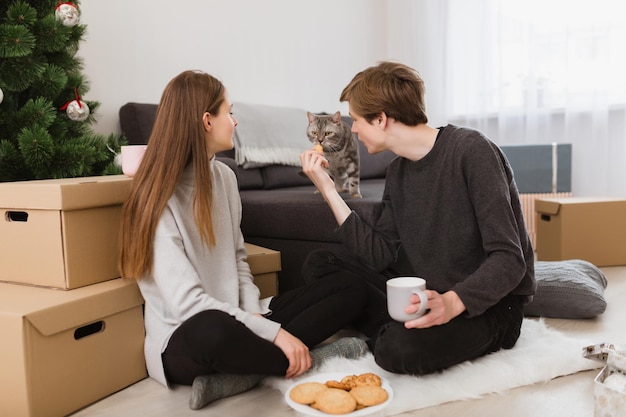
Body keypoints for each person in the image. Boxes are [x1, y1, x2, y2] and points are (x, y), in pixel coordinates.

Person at [118, 70, 369, 410]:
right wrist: (274, 333)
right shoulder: (156, 194)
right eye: (229, 113)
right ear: (207, 121)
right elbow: (188, 305)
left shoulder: (224, 175)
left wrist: (255, 315)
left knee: (350, 286)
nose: (235, 122)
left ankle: (238, 376)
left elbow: (237, 258)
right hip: (188, 335)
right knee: (212, 330)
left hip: (242, 319)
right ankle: (318, 355)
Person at [299, 61, 536, 375]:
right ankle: (397, 326)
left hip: (488, 305)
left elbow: (509, 260)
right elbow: (382, 255)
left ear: (381, 119)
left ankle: (389, 333)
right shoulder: (398, 171)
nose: (353, 129)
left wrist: (452, 302)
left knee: (397, 350)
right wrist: (329, 192)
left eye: (357, 120)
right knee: (320, 263)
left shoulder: (472, 151)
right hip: (424, 293)